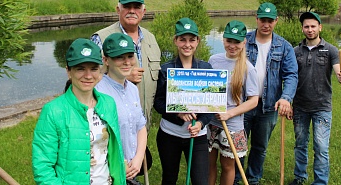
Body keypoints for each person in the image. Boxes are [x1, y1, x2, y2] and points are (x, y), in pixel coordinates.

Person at [32, 38, 126, 185]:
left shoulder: (108, 104)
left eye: (94, 68)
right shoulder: (53, 111)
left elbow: (114, 153)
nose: (88, 75)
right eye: (80, 68)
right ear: (68, 71)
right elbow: (42, 168)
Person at [235, 2, 299, 185]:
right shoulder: (243, 41)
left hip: (269, 105)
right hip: (243, 103)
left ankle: (253, 179)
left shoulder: (284, 46)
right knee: (239, 145)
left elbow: (291, 75)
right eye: (263, 20)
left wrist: (286, 98)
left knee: (260, 147)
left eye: (270, 21)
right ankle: (236, 178)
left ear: (276, 21)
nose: (266, 24)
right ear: (256, 19)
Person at [288, 12, 341, 185]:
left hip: (322, 106)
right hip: (300, 106)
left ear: (320, 27)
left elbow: (339, 71)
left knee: (321, 147)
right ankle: (300, 177)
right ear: (302, 28)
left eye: (313, 26)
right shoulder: (295, 51)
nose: (310, 29)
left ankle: (320, 182)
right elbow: (290, 76)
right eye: (306, 26)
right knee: (300, 143)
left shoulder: (331, 50)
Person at [153, 17, 213, 185]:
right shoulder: (166, 70)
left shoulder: (206, 69)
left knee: (200, 181)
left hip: (198, 135)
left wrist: (201, 122)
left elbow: (212, 105)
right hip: (169, 135)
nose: (187, 44)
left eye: (192, 40)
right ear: (176, 41)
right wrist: (177, 113)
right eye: (183, 40)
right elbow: (158, 102)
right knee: (169, 178)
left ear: (198, 41)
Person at [91, 0, 161, 128]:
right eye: (127, 6)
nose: (132, 11)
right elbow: (87, 80)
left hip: (142, 124)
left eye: (137, 7)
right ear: (118, 9)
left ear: (143, 11)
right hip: (111, 126)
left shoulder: (151, 39)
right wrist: (121, 78)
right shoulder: (101, 38)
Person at [208, 20, 260, 185]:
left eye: (236, 42)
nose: (232, 45)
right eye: (229, 41)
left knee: (228, 166)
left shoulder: (248, 68)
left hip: (232, 125)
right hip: (210, 122)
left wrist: (229, 113)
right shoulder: (213, 60)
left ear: (244, 42)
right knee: (208, 164)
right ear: (223, 40)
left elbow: (253, 101)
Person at [96, 33, 147, 184]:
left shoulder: (132, 89)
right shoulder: (98, 93)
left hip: (132, 169)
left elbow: (140, 126)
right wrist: (120, 163)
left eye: (130, 56)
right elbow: (98, 138)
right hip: (109, 171)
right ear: (106, 60)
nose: (126, 62)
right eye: (119, 57)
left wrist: (138, 158)